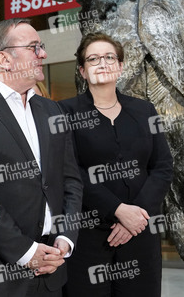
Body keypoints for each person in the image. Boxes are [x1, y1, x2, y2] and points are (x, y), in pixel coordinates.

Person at [0, 18, 83, 297]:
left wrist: (65, 239)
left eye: (41, 47)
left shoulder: (53, 111)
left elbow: (70, 180)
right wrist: (26, 252)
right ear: (4, 59)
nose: (43, 54)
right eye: (34, 47)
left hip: (52, 270)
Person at [58, 32, 173, 297]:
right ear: (82, 71)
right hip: (89, 232)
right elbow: (69, 171)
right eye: (94, 59)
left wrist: (136, 215)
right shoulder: (65, 112)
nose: (103, 63)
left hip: (140, 232)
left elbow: (162, 166)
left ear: (120, 67)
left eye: (110, 57)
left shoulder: (145, 111)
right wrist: (117, 209)